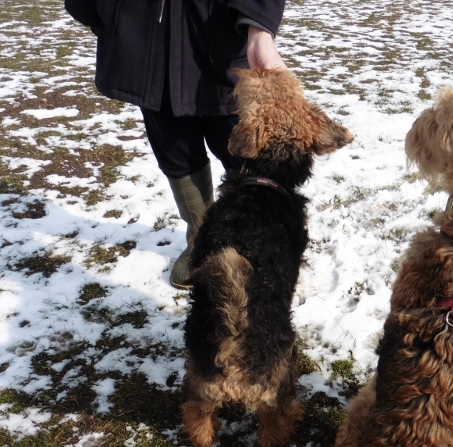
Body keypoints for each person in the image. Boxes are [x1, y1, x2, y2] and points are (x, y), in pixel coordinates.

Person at [64, 0, 287, 288]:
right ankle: (201, 239)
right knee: (175, 153)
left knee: (251, 156)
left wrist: (259, 27)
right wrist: (106, 12)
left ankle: (263, 242)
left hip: (222, 33)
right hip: (146, 43)